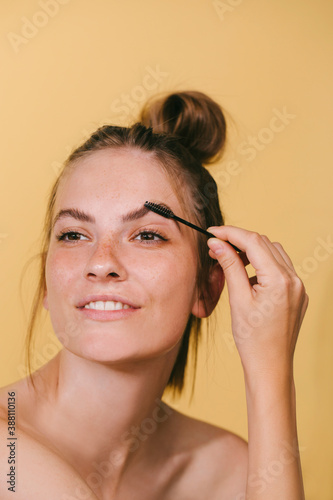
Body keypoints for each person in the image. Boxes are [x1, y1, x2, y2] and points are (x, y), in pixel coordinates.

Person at [0, 91, 308, 500]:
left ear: (208, 287)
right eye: (74, 235)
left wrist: (270, 366)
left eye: (146, 235)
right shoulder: (10, 459)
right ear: (45, 280)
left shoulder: (230, 473)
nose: (101, 262)